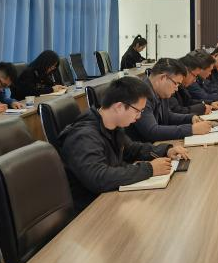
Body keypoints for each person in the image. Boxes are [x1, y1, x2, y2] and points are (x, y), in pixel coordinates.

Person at [59, 76, 190, 213]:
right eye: (137, 111)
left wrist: (166, 150)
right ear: (119, 107)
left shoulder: (113, 126)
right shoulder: (83, 136)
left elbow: (132, 149)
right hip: (92, 210)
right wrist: (150, 169)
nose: (139, 116)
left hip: (111, 197)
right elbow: (99, 177)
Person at [125, 58, 213, 142]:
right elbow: (152, 131)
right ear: (163, 78)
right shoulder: (141, 95)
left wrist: (190, 118)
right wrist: (191, 129)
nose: (176, 89)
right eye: (176, 83)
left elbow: (167, 116)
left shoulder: (160, 92)